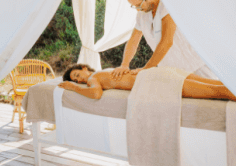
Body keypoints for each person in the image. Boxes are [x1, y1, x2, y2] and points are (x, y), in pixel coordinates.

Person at [112, 0, 216, 81]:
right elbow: (133, 41)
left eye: (139, 5)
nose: (138, 9)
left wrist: (146, 69)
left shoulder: (166, 6)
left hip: (194, 65)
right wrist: (124, 65)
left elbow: (167, 42)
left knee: (216, 91)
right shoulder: (141, 15)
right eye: (135, 6)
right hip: (172, 71)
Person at [61, 63, 235, 101]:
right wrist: (76, 86)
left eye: (76, 75)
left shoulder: (94, 77)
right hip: (160, 73)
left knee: (219, 90)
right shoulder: (101, 73)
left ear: (84, 67)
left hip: (156, 79)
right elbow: (96, 91)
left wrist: (72, 87)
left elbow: (95, 94)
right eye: (75, 80)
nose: (78, 79)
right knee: (219, 85)